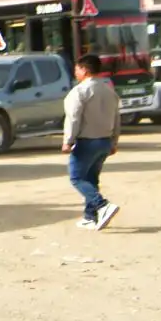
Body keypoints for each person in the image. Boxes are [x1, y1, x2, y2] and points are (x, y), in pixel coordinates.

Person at [62, 52, 121, 230]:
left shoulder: (80, 91)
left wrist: (68, 140)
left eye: (77, 69)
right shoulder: (110, 91)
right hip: (104, 141)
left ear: (85, 70)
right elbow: (117, 118)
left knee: (77, 177)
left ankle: (102, 205)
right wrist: (114, 141)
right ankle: (90, 216)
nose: (75, 73)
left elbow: (73, 117)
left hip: (87, 141)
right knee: (91, 178)